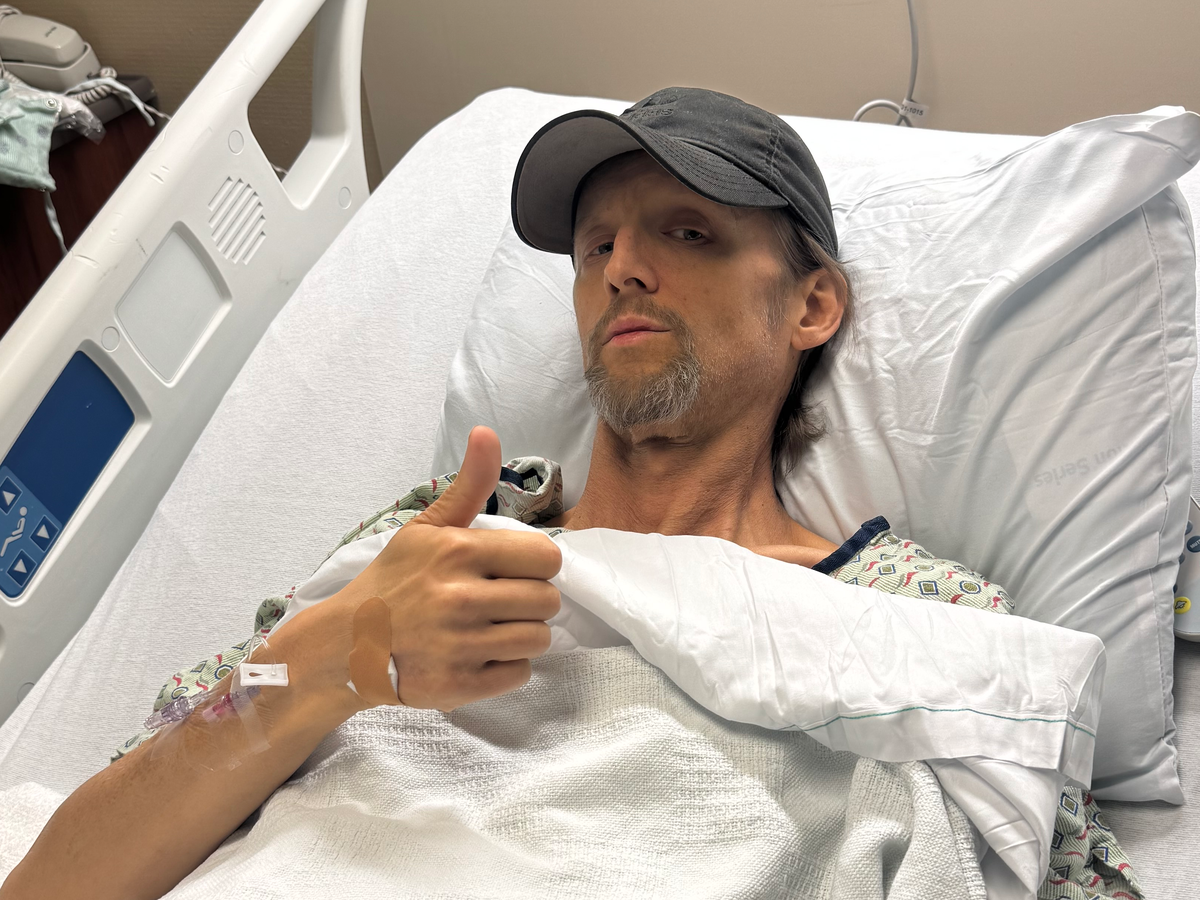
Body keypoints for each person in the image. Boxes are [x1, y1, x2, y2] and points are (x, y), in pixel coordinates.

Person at [1, 88, 1139, 900]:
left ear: (813, 307)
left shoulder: (920, 615)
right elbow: (63, 873)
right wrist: (330, 659)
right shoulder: (436, 537)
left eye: (686, 231)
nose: (621, 269)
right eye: (596, 247)